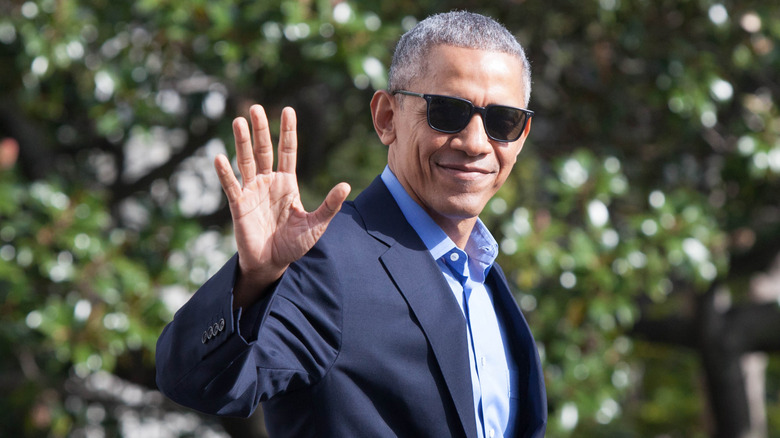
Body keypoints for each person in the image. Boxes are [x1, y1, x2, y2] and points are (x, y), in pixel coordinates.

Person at [156, 10, 547, 438]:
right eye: (448, 113)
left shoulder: (487, 280)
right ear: (386, 118)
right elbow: (194, 381)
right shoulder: (326, 259)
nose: (475, 143)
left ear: (522, 134)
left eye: (502, 121)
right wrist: (254, 278)